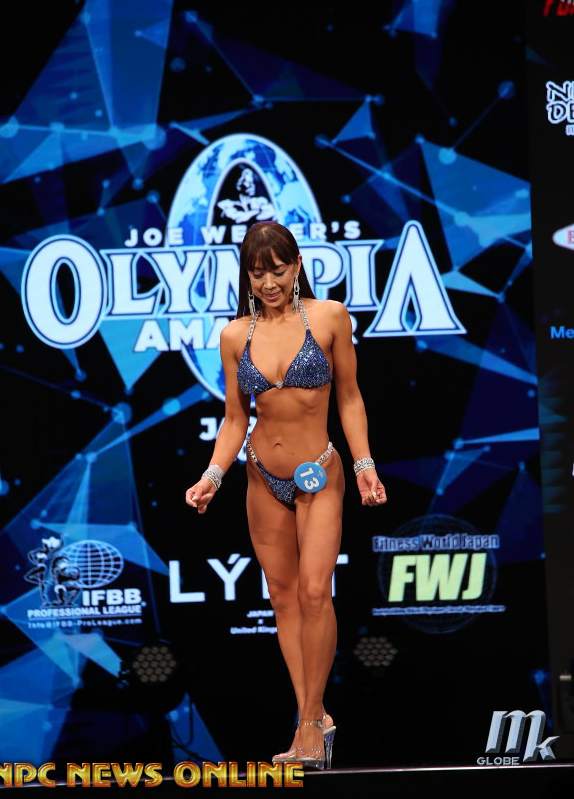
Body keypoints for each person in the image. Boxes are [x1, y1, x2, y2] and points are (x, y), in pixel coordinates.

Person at [185, 221, 387, 769]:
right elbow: (234, 419)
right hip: (260, 476)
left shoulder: (329, 317)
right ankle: (311, 717)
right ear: (247, 277)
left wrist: (364, 464)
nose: (269, 283)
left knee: (316, 592)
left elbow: (349, 398)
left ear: (297, 266)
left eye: (277, 270)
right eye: (258, 273)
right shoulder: (235, 335)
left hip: (319, 474)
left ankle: (310, 724)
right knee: (283, 597)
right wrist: (212, 476)